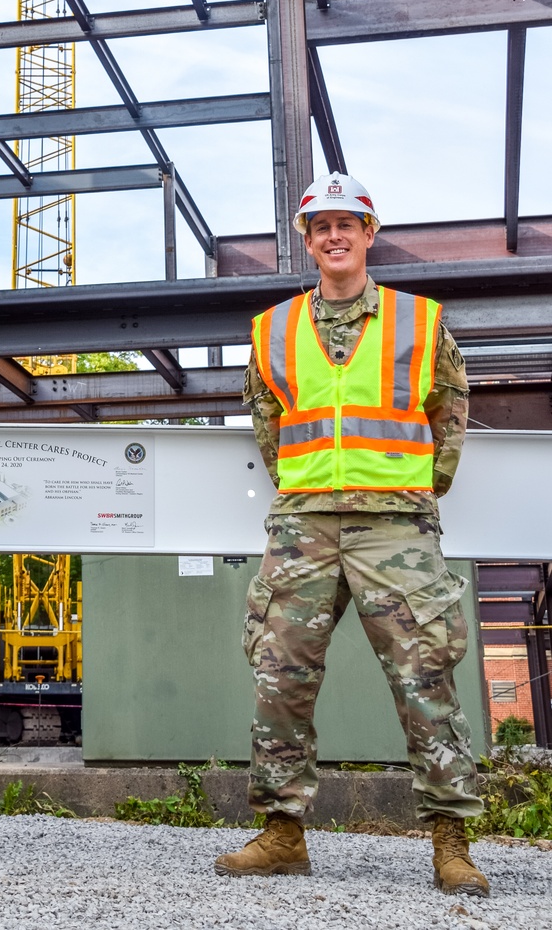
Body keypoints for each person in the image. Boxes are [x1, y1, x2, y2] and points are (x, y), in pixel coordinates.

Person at [214, 172, 488, 899]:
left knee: (424, 678)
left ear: (370, 233)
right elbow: (267, 423)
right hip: (304, 523)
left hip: (394, 525)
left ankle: (451, 842)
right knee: (280, 679)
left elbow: (450, 411)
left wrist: (421, 492)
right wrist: (307, 487)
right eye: (321, 225)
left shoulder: (419, 321)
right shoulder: (272, 329)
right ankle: (282, 836)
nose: (334, 235)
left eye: (348, 222)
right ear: (307, 241)